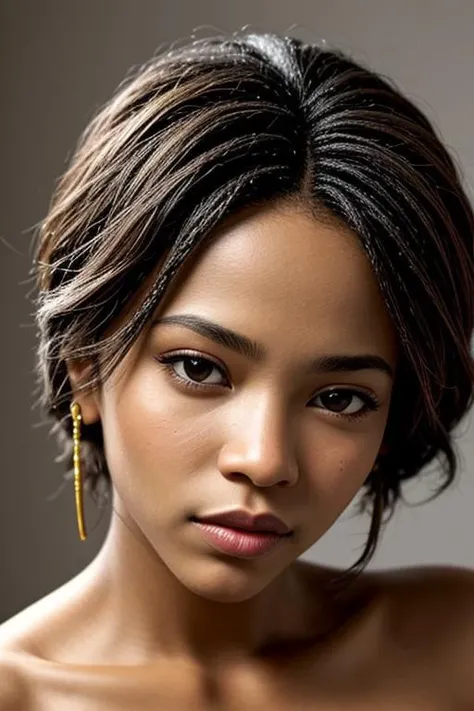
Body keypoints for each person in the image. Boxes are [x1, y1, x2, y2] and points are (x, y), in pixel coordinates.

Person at [1, 30, 473, 709]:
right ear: (84, 362)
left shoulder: (455, 648)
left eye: (340, 398)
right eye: (199, 367)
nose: (265, 458)